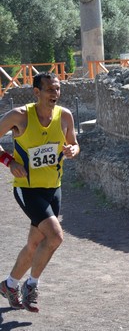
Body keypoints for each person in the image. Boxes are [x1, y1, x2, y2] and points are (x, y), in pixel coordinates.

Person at [0, 72, 80, 312]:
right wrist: (9, 162)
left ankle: (9, 285)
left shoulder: (65, 115)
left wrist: (72, 150)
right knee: (55, 237)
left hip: (54, 188)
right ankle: (31, 285)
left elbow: (74, 143)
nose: (55, 94)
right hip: (27, 188)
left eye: (57, 89)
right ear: (36, 92)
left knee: (35, 245)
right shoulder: (19, 116)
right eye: (49, 90)